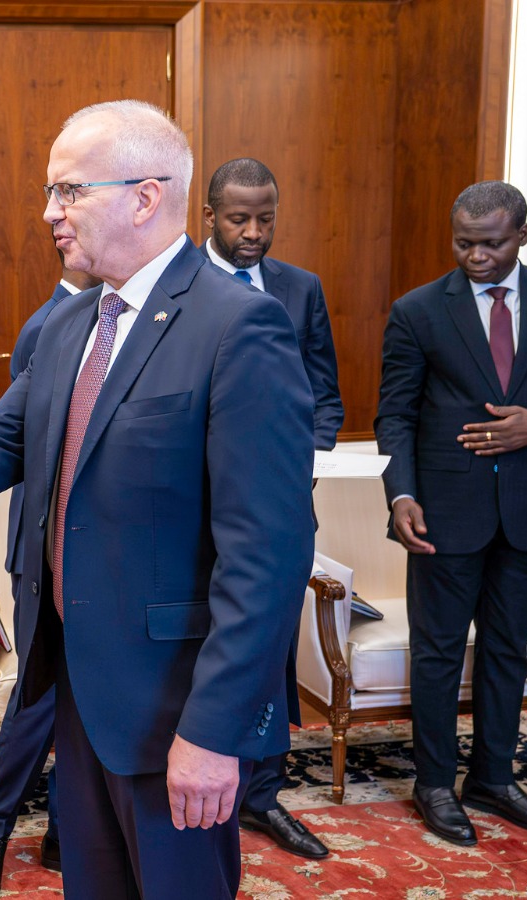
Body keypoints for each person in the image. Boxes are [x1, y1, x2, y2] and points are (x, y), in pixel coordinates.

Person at [0, 100, 314, 899]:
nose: (49, 212)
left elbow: (269, 557)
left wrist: (215, 732)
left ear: (145, 198)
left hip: (174, 707)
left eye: (69, 191)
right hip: (77, 687)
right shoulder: (72, 323)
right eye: (51, 192)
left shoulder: (238, 328)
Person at [376, 180, 527, 846]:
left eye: (491, 244)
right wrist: (400, 495)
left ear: (522, 236)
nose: (476, 256)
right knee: (438, 653)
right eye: (464, 243)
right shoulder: (418, 310)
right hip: (444, 510)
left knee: (508, 650)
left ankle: (493, 780)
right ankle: (433, 783)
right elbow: (395, 413)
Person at [201, 157, 341, 860]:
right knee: (204, 648)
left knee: (272, 650)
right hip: (199, 512)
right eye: (239, 219)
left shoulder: (300, 288)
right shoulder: (179, 285)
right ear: (209, 217)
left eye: (266, 219)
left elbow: (325, 395)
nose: (253, 232)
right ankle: (199, 784)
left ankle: (262, 795)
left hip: (281, 512)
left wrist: (305, 459)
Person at [0, 259, 101, 900]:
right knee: (39, 694)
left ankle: (65, 832)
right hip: (43, 551)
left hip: (100, 553)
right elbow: (16, 445)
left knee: (88, 697)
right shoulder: (47, 326)